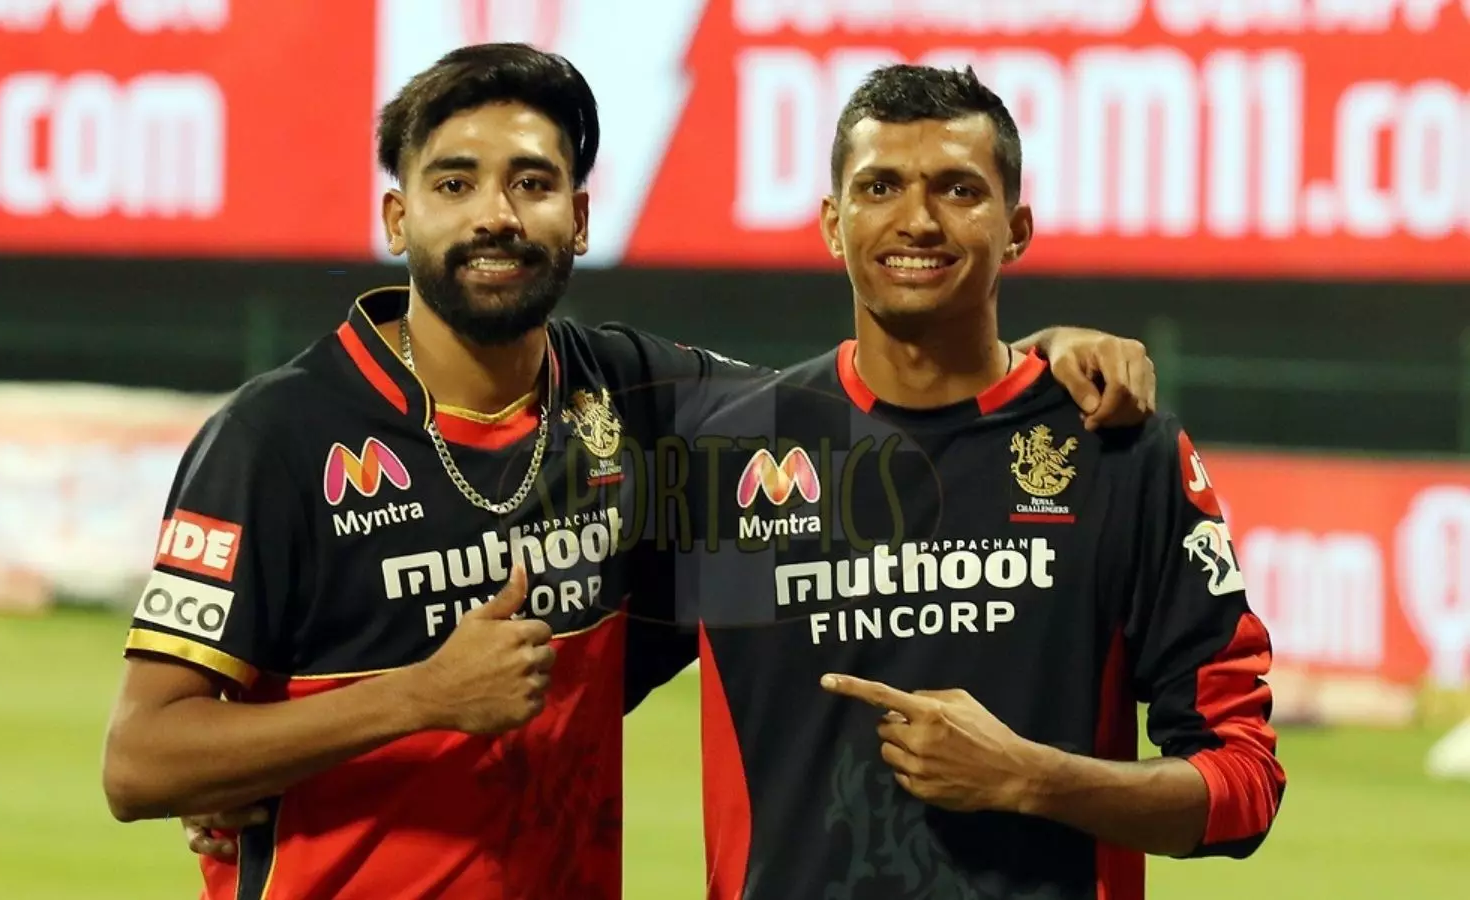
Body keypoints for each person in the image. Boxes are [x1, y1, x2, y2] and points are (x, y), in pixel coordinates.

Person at [102, 44, 1159, 899]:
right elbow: (140, 761)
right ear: (398, 218)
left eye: (532, 182)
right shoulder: (278, 438)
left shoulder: (640, 397)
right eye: (454, 182)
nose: (496, 214)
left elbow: (887, 397)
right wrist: (416, 698)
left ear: (579, 217)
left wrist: (1041, 358)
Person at [674, 63, 1286, 899]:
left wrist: (1033, 778)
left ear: (1017, 228)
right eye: (880, 187)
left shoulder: (1116, 450)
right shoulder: (731, 455)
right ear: (832, 224)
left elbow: (1243, 784)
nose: (917, 220)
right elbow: (583, 674)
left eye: (959, 190)